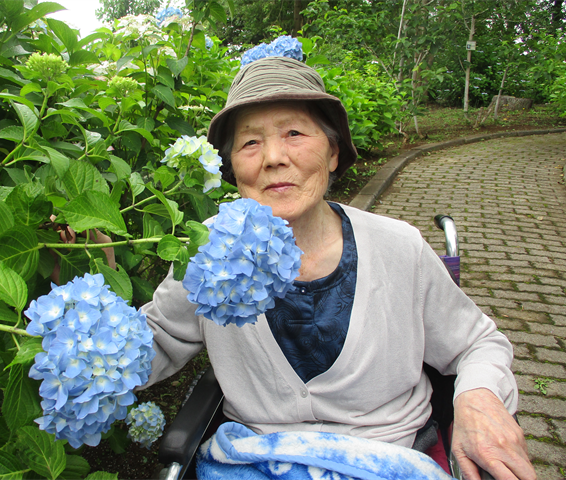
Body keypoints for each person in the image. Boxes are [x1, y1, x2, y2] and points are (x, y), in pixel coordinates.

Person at [140, 57, 536, 480]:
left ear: (332, 153)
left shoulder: (398, 246)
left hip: (389, 458)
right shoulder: (208, 249)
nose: (273, 157)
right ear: (233, 167)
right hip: (256, 461)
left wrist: (479, 398)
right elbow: (157, 341)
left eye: (294, 133)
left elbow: (477, 343)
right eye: (250, 143)